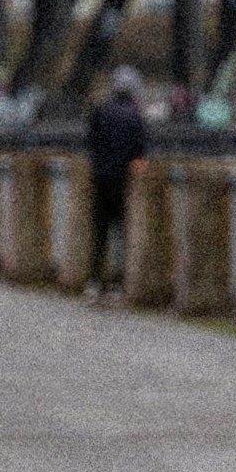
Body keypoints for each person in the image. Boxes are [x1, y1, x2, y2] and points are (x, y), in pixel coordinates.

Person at [82, 67, 149, 300]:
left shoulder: (100, 111)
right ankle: (116, 285)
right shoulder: (135, 116)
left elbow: (90, 143)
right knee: (120, 232)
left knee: (99, 231)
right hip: (122, 182)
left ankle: (92, 281)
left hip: (100, 178)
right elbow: (140, 155)